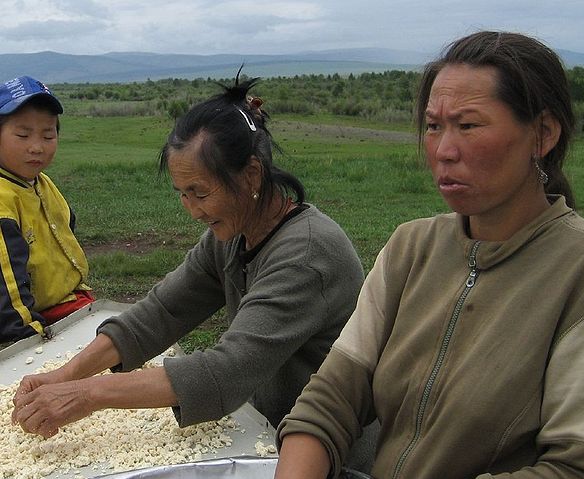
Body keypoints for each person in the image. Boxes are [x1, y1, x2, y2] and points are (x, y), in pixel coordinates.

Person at [254, 32, 584, 479]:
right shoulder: (412, 249)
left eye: (468, 125)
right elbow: (333, 398)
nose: (443, 148)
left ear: (542, 133)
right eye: (433, 126)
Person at [11, 75, 365, 442]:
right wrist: (65, 376)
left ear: (252, 176)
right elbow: (163, 312)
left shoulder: (306, 255)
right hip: (268, 430)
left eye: (200, 192)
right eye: (182, 193)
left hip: (329, 452)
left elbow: (226, 371)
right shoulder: (232, 235)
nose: (192, 210)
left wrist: (87, 395)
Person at [0, 75, 93, 343]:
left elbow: (66, 232)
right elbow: (8, 291)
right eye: (22, 134)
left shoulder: (41, 182)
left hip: (66, 300)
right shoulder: (4, 201)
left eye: (48, 134)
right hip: (28, 319)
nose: (36, 147)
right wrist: (35, 340)